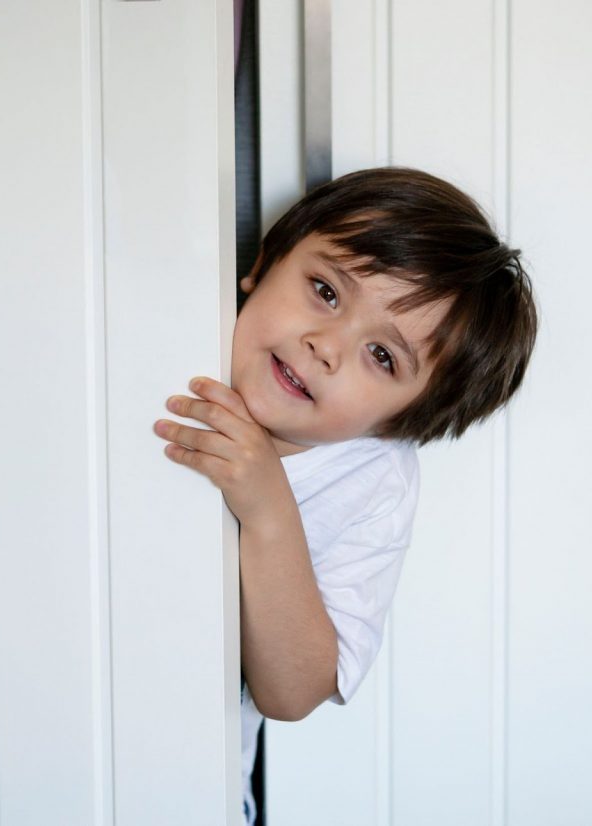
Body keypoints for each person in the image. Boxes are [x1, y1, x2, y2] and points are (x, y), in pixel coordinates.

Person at [152, 167, 538, 825]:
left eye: (382, 357)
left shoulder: (374, 483)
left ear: (401, 423)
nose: (325, 347)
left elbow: (293, 691)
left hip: (183, 787)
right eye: (326, 291)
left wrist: (268, 506)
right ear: (266, 260)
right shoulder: (169, 330)